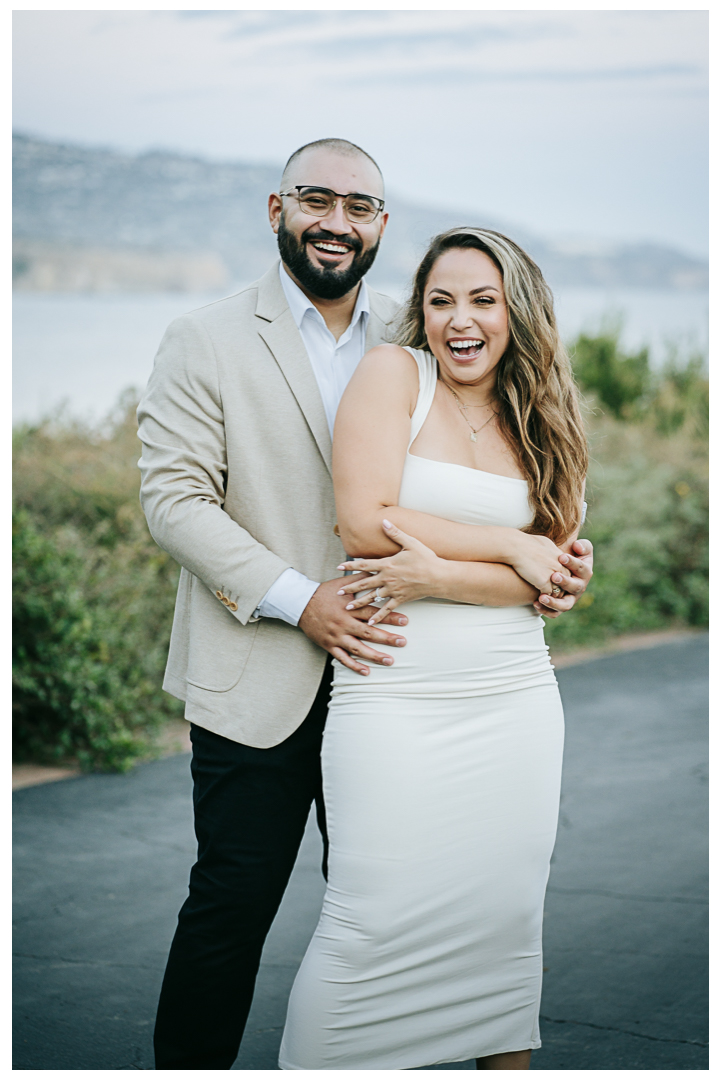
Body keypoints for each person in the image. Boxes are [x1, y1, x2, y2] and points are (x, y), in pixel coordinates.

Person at [138, 136, 593, 1070]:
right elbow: (174, 501)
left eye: (359, 207)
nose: (335, 222)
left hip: (403, 678)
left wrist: (543, 565)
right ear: (278, 211)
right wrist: (302, 601)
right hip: (262, 671)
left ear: (383, 225)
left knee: (406, 915)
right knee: (231, 909)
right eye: (316, 201)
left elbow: (503, 477)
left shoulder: (420, 332)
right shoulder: (207, 337)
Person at [278, 227, 589, 1071]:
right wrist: (512, 548)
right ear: (421, 310)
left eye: (483, 301)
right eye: (441, 300)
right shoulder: (394, 375)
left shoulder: (545, 413)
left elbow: (555, 585)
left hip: (515, 701)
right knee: (365, 919)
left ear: (517, 312)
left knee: (503, 925)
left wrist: (447, 572)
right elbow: (363, 517)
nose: (461, 320)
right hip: (395, 695)